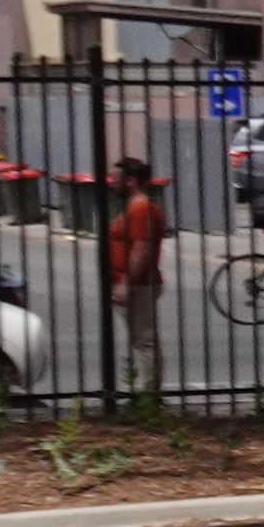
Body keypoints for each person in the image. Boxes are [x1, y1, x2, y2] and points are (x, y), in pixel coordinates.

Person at [103, 152, 168, 403]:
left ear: (131, 181)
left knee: (145, 339)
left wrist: (125, 283)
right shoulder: (135, 208)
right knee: (142, 338)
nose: (112, 182)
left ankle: (152, 395)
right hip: (132, 282)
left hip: (138, 284)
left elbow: (142, 248)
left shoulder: (142, 209)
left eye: (116, 178)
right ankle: (150, 391)